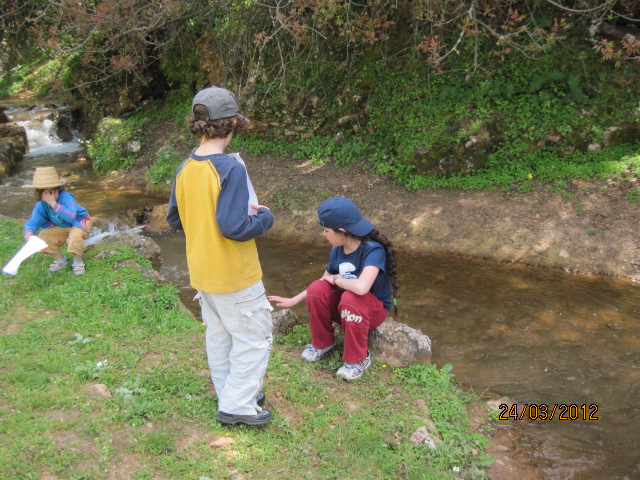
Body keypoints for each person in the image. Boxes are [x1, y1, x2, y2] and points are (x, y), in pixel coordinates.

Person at [166, 86, 275, 426]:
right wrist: (264, 218)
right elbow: (234, 226)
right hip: (233, 273)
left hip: (201, 271)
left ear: (198, 125)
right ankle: (237, 405)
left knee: (220, 334)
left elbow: (174, 219)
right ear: (232, 125)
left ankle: (231, 390)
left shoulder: (186, 166)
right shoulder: (230, 168)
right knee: (254, 337)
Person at [268, 196, 398, 381]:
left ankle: (358, 359)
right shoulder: (338, 249)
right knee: (318, 288)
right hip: (347, 308)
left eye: (326, 230)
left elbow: (361, 288)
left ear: (342, 231)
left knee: (351, 297)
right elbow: (323, 281)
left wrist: (336, 279)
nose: (324, 234)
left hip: (371, 312)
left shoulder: (373, 250)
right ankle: (323, 343)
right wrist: (294, 300)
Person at [22, 166, 92, 276]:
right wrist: (28, 233)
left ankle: (78, 261)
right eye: (46, 193)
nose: (50, 195)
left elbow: (71, 217)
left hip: (78, 222)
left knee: (74, 236)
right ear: (40, 193)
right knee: (44, 236)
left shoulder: (67, 197)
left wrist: (54, 204)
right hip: (62, 226)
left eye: (52, 191)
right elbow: (33, 221)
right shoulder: (41, 205)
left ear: (58, 188)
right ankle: (61, 260)